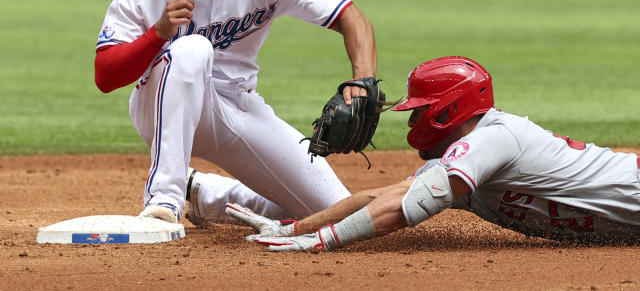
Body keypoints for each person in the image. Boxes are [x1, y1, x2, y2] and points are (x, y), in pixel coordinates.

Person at [94, 0, 377, 224]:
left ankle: (207, 195)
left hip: (239, 106)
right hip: (162, 108)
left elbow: (351, 17)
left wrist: (362, 79)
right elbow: (106, 76)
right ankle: (164, 201)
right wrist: (158, 34)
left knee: (336, 213)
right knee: (192, 49)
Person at [226, 56, 640, 250]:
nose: (411, 123)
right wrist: (297, 228)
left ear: (449, 109)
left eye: (419, 112)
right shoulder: (465, 157)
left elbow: (412, 206)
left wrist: (325, 241)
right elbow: (381, 197)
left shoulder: (491, 140)